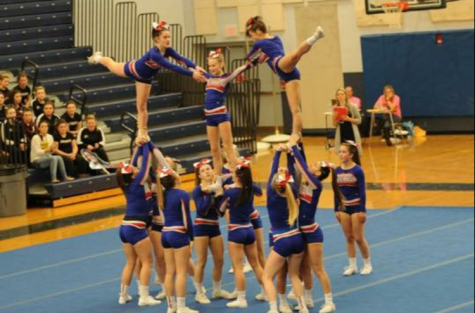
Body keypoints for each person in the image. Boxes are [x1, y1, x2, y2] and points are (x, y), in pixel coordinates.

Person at [88, 21, 207, 145]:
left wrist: (195, 66)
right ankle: (98, 58)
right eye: (165, 37)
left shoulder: (168, 50)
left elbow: (181, 59)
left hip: (145, 78)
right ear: (157, 39)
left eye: (169, 37)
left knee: (142, 106)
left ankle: (142, 133)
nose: (168, 40)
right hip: (133, 69)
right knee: (112, 65)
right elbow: (172, 67)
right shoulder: (154, 54)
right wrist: (192, 74)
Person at [245, 16, 324, 139]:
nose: (252, 39)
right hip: (289, 74)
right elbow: (261, 57)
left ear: (258, 31)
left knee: (296, 55)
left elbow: (248, 62)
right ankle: (296, 134)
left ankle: (316, 36)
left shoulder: (260, 43)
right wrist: (260, 58)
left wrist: (244, 69)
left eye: (251, 35)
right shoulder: (276, 39)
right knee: (295, 110)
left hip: (280, 64)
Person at [288, 134, 336, 313]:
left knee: (318, 268)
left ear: (318, 173)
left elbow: (301, 164)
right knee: (304, 267)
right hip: (301, 231)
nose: (311, 165)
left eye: (315, 166)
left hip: (312, 232)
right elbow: (302, 163)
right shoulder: (307, 181)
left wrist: (293, 147)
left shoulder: (316, 184)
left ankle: (329, 302)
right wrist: (300, 145)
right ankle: (307, 300)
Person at [262, 146, 309, 313]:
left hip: (281, 240)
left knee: (266, 277)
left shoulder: (271, 193)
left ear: (274, 183)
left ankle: (274, 309)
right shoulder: (293, 192)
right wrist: (289, 155)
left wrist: (277, 153)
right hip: (297, 238)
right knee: (294, 275)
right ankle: (302, 307)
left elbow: (273, 170)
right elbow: (290, 174)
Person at [115, 145, 162, 307]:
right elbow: (146, 162)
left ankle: (123, 295)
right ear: (132, 174)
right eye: (133, 169)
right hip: (136, 227)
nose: (136, 167)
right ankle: (144, 296)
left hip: (125, 227)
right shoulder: (138, 182)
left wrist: (137, 147)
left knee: (130, 262)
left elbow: (134, 163)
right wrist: (146, 143)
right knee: (147, 261)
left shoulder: (128, 184)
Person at [219, 162, 265, 309]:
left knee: (238, 268)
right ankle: (266, 291)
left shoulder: (230, 193)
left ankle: (241, 298)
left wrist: (223, 194)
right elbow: (258, 191)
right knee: (256, 264)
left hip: (236, 231)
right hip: (249, 230)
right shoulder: (249, 190)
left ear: (236, 177)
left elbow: (220, 210)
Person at [203, 49, 252, 174]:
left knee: (228, 147)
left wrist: (249, 63)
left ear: (221, 64)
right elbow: (194, 70)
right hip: (209, 117)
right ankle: (218, 177)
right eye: (209, 66)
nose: (211, 68)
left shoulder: (226, 77)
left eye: (214, 65)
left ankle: (237, 176)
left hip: (221, 115)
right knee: (214, 149)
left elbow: (239, 70)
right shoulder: (208, 77)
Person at [158, 164, 199, 313]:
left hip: (165, 233)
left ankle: (171, 306)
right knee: (181, 272)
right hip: (178, 233)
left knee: (170, 272)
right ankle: (181, 307)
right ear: (175, 178)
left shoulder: (162, 194)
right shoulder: (182, 194)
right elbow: (186, 219)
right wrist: (191, 238)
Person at [333, 142, 373, 277]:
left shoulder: (357, 170)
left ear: (351, 155)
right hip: (343, 207)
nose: (341, 154)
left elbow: (362, 192)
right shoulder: (337, 171)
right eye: (340, 152)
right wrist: (336, 209)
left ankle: (367, 264)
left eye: (344, 152)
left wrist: (363, 210)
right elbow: (336, 191)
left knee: (358, 238)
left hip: (356, 207)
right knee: (349, 237)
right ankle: (352, 266)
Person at [333, 88, 363, 156]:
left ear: (345, 95)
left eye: (342, 94)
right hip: (341, 133)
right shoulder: (335, 108)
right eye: (338, 94)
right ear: (336, 96)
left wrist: (348, 119)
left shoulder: (353, 106)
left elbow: (359, 120)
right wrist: (336, 117)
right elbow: (334, 124)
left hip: (352, 132)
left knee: (354, 154)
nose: (340, 96)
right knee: (343, 154)